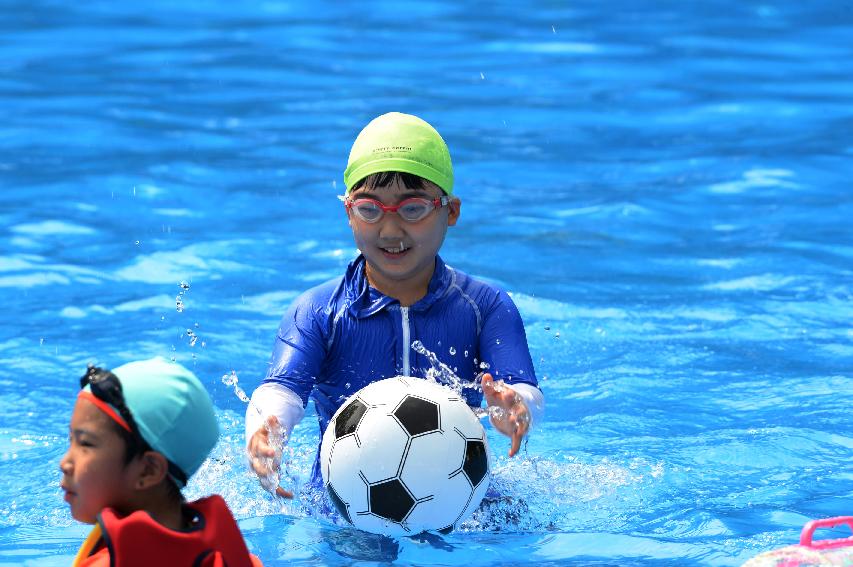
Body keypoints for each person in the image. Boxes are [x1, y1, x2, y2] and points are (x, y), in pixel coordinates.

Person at [246, 112, 545, 496]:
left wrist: (515, 409)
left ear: (449, 211)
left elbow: (523, 390)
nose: (390, 229)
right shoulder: (319, 312)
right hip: (341, 512)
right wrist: (265, 433)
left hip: (464, 503)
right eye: (370, 209)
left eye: (413, 208)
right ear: (348, 212)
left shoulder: (485, 308)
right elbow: (281, 392)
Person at [61, 356, 263, 567]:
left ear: (148, 470)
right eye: (71, 441)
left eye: (85, 444)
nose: (65, 463)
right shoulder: (237, 560)